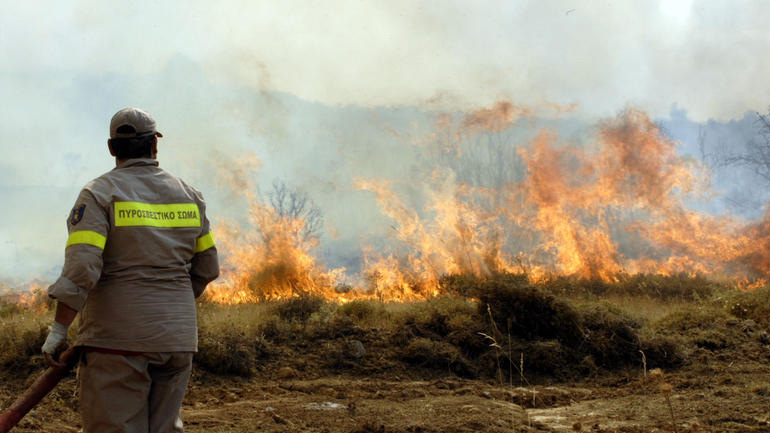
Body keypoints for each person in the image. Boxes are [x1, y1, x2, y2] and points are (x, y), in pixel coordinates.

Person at [41, 107, 220, 433]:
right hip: (177, 341)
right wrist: (167, 306)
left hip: (117, 342)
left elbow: (82, 267)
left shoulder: (99, 194)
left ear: (111, 148)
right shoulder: (190, 196)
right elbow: (207, 268)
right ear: (154, 145)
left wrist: (58, 332)